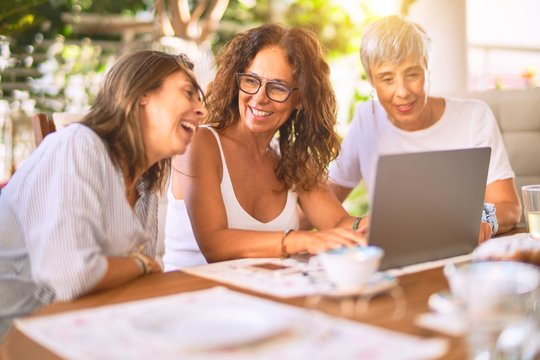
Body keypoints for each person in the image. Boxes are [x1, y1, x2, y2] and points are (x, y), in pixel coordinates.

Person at [0, 50, 207, 340]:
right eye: (189, 93)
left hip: (80, 329)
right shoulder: (76, 146)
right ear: (141, 93)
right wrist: (143, 264)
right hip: (18, 337)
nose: (202, 112)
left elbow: (133, 283)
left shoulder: (145, 183)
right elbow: (73, 276)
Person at [164, 24, 365, 270]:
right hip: (187, 297)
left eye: (278, 87)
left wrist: (367, 225)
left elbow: (338, 222)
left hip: (258, 299)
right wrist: (301, 240)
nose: (259, 97)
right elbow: (215, 245)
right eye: (251, 81)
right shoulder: (200, 143)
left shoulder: (290, 158)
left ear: (300, 98)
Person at [328, 15, 521, 243]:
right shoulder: (366, 118)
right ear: (371, 80)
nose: (402, 92)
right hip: (397, 255)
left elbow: (509, 206)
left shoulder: (474, 116)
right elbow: (323, 199)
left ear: (428, 70)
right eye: (387, 79)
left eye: (412, 74)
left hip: (461, 252)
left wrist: (482, 222)